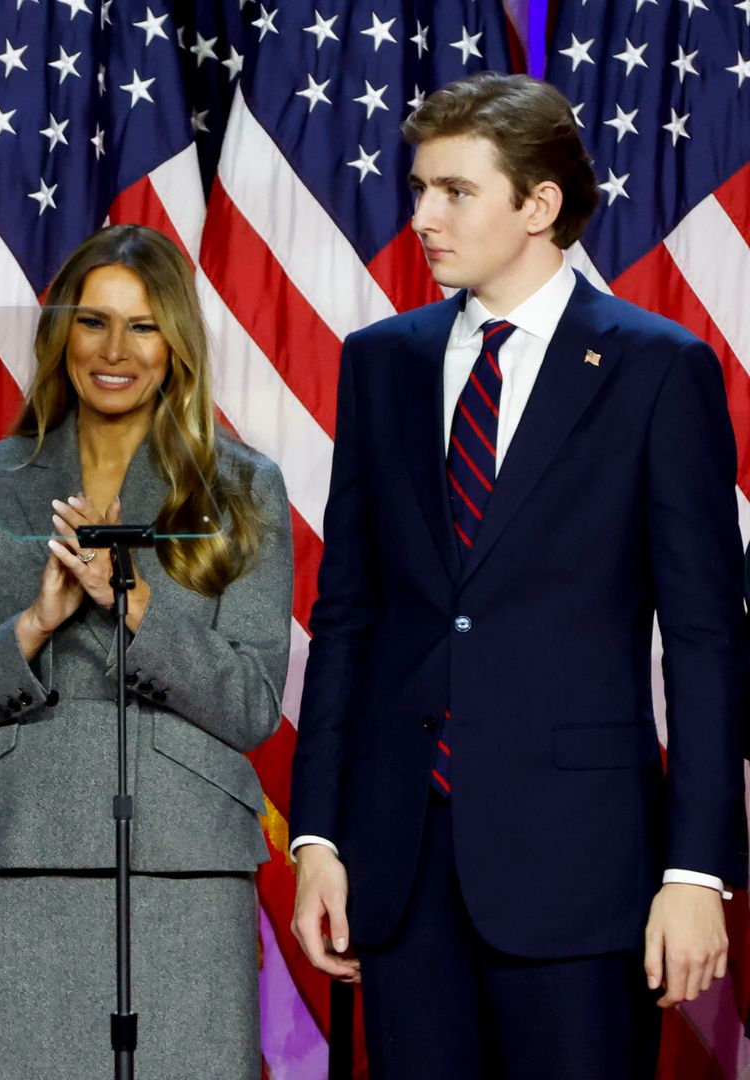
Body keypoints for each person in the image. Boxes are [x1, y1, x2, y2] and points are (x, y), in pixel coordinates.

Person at [289, 73, 746, 1078]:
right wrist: (317, 836)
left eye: (454, 191)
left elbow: (709, 638)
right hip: (399, 868)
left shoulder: (657, 368)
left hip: (583, 871)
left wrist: (697, 869)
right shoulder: (382, 362)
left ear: (540, 205)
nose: (421, 217)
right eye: (419, 189)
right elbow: (350, 615)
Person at [0, 224, 294, 1078]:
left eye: (144, 325)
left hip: (182, 862)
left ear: (177, 345)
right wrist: (34, 626)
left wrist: (137, 606)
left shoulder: (241, 487)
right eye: (93, 322)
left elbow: (251, 706)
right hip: (20, 856)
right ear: (61, 336)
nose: (115, 349)